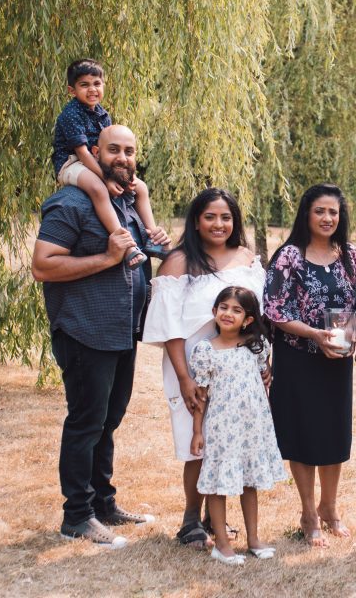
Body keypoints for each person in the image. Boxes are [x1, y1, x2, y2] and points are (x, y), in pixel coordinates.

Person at [32, 125, 169, 548]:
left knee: (108, 421)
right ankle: (77, 516)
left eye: (130, 151)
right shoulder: (71, 202)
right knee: (86, 421)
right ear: (95, 152)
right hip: (85, 330)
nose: (123, 157)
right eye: (114, 150)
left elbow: (148, 254)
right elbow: (43, 265)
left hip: (122, 331)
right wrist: (106, 258)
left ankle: (103, 503)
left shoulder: (125, 203)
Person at [142, 188, 266, 548]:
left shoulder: (246, 257)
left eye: (226, 217)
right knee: (198, 441)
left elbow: (260, 317)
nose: (218, 224)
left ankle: (218, 517)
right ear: (196, 221)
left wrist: (264, 361)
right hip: (196, 367)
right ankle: (190, 518)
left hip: (242, 371)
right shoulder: (180, 262)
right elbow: (169, 326)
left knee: (232, 438)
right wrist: (184, 378)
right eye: (210, 216)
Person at [263, 183, 356, 548]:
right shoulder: (289, 256)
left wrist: (347, 333)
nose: (327, 218)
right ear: (307, 213)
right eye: (320, 211)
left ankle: (330, 507)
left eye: (333, 212)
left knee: (333, 433)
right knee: (302, 433)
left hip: (336, 358)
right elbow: (273, 309)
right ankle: (308, 512)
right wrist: (315, 335)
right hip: (297, 356)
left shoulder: (350, 255)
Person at [190, 286, 286, 565]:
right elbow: (202, 394)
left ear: (248, 319)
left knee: (250, 482)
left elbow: (264, 379)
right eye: (223, 307)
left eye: (236, 309)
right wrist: (197, 431)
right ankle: (221, 543)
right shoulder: (206, 350)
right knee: (220, 485)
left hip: (252, 426)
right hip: (222, 428)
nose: (228, 313)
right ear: (214, 312)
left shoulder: (255, 346)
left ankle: (253, 539)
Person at [52, 58, 168, 267]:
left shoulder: (102, 114)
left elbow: (106, 148)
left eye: (97, 84)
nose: (92, 89)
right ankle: (126, 246)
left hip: (95, 159)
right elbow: (83, 153)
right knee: (98, 189)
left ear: (103, 85)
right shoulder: (71, 115)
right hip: (71, 162)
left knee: (140, 186)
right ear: (72, 90)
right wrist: (106, 178)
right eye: (84, 85)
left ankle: (152, 238)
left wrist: (126, 177)